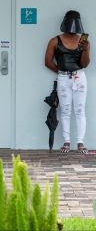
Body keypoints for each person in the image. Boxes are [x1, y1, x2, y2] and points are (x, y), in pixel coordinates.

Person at [45, 10, 90, 154]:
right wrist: (61, 72)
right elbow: (47, 62)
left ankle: (80, 142)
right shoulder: (54, 41)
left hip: (79, 76)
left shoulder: (83, 42)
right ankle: (67, 142)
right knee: (65, 110)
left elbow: (84, 64)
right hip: (64, 78)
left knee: (80, 109)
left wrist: (86, 50)